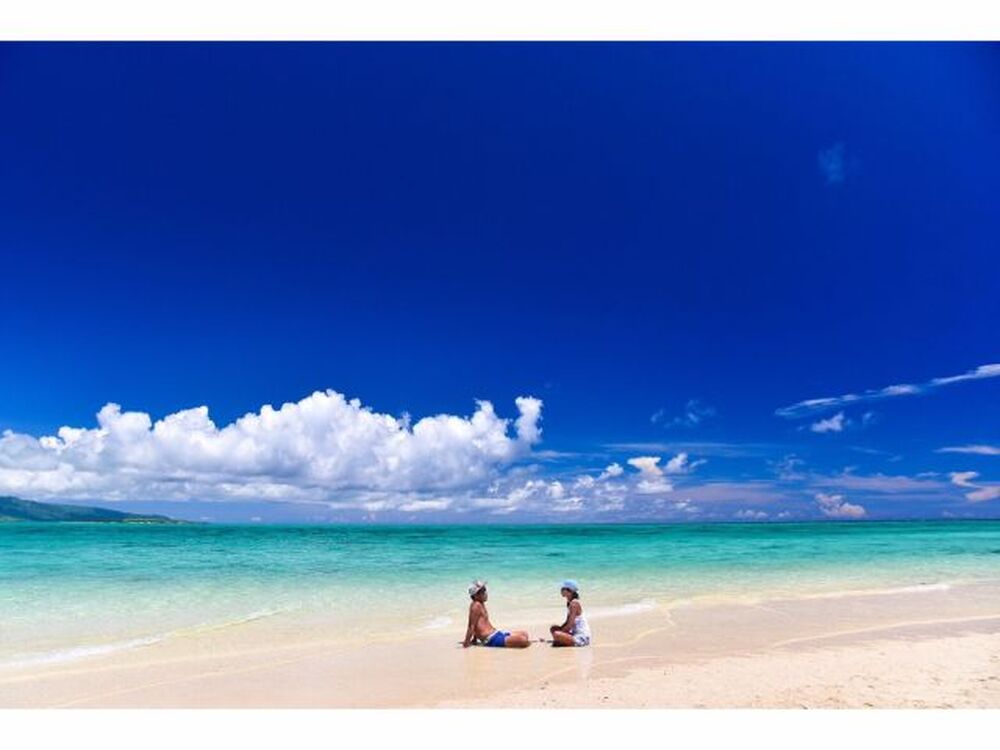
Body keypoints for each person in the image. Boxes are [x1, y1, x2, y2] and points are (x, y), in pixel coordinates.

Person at [462, 580, 531, 648]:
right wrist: (466, 642)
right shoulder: (475, 606)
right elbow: (472, 625)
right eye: (482, 592)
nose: (485, 593)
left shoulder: (481, 603)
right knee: (523, 640)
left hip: (496, 633)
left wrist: (474, 639)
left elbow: (478, 623)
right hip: (490, 639)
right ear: (475, 595)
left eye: (485, 590)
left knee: (525, 634)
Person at [549, 579, 591, 647]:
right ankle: (562, 640)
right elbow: (567, 622)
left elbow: (570, 625)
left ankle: (562, 641)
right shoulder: (569, 603)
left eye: (563, 589)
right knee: (553, 628)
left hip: (582, 637)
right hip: (575, 633)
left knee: (556, 634)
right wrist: (560, 630)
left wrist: (559, 633)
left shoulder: (574, 604)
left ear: (569, 591)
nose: (561, 590)